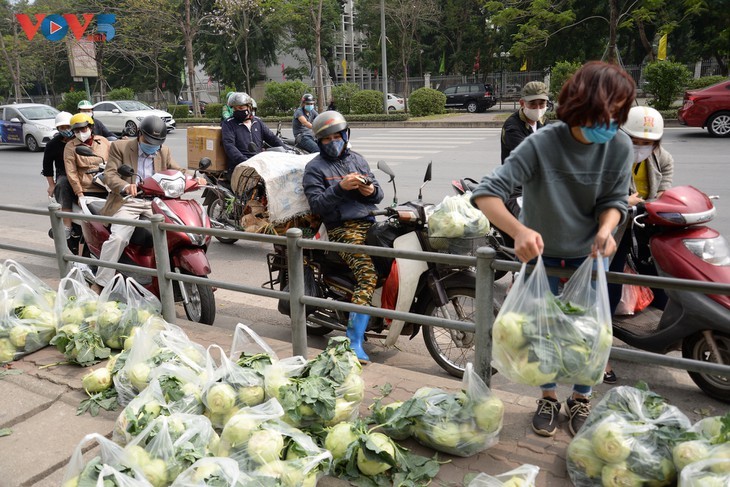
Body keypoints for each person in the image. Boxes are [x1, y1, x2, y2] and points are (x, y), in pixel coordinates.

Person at [471, 61, 636, 437]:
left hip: (589, 260)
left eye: (616, 116)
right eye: (601, 116)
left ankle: (580, 398)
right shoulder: (543, 143)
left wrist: (608, 228)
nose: (608, 125)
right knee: (539, 335)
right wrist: (519, 230)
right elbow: (486, 194)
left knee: (588, 336)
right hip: (540, 260)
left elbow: (615, 199)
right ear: (577, 107)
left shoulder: (620, 145)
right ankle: (547, 397)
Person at [302, 111, 384, 362]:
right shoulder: (314, 168)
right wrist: (339, 188)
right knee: (368, 276)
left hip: (369, 222)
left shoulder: (357, 160)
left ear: (346, 135)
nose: (334, 141)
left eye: (338, 136)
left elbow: (377, 193)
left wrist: (370, 190)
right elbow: (317, 204)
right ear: (319, 141)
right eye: (327, 139)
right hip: (341, 228)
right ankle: (353, 341)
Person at [90, 116, 203, 293]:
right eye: (150, 141)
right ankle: (101, 282)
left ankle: (187, 273)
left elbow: (176, 170)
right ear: (140, 135)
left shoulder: (163, 150)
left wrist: (195, 177)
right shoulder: (120, 147)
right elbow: (110, 174)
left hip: (158, 202)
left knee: (186, 230)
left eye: (157, 142)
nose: (153, 146)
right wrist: (126, 186)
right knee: (119, 238)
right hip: (129, 201)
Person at [604, 105, 674, 383]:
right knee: (610, 279)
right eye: (635, 141)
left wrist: (649, 205)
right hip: (616, 225)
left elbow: (666, 192)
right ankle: (602, 345)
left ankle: (665, 335)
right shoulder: (610, 155)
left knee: (659, 275)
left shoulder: (664, 159)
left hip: (650, 222)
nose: (641, 147)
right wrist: (626, 203)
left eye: (648, 143)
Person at [498, 81, 550, 244]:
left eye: (541, 103)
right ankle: (521, 266)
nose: (538, 108)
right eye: (532, 104)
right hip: (516, 189)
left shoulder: (543, 122)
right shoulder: (513, 127)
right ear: (522, 103)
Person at [42, 111, 80, 253]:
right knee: (62, 185)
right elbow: (47, 167)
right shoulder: (53, 144)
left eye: (68, 126)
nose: (66, 130)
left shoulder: (81, 139)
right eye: (62, 127)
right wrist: (51, 185)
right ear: (57, 129)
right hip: (64, 174)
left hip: (83, 172)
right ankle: (67, 226)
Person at [221, 92, 283, 177]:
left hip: (259, 164)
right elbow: (229, 146)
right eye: (235, 109)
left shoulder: (257, 121)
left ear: (249, 107)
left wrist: (286, 150)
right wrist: (245, 161)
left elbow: (272, 138)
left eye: (241, 107)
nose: (237, 111)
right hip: (239, 167)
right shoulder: (228, 124)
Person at [63, 113, 112, 201]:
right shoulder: (70, 146)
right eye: (77, 131)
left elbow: (114, 161)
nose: (80, 133)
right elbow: (71, 171)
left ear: (90, 127)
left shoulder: (103, 141)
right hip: (87, 189)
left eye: (83, 129)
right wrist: (79, 193)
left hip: (108, 185)